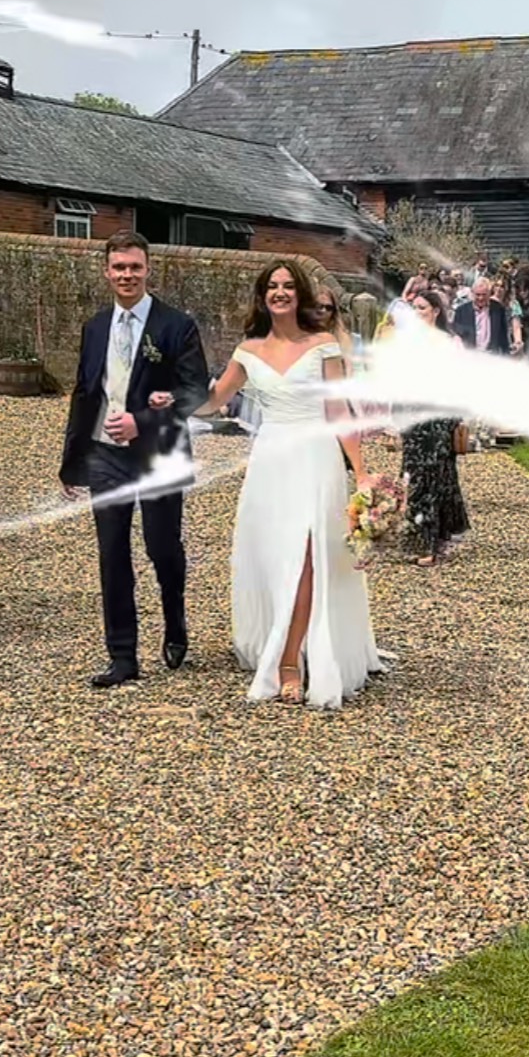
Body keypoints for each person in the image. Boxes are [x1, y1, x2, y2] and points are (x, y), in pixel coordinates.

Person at [153, 259, 381, 707]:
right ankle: (282, 642)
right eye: (272, 286)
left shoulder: (322, 347)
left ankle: (289, 661)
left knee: (309, 558)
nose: (280, 292)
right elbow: (214, 402)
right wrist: (170, 400)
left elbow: (339, 414)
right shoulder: (248, 351)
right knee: (277, 558)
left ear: (300, 294)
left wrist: (361, 472)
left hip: (316, 460)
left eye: (288, 286)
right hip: (271, 463)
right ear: (263, 296)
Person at [60, 234, 210, 688]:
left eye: (135, 268)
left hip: (159, 454)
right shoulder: (95, 326)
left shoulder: (176, 326)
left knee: (161, 547)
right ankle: (122, 657)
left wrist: (143, 420)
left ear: (148, 270)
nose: (127, 275)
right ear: (106, 271)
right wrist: (72, 460)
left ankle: (175, 618)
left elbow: (196, 393)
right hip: (106, 457)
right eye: (119, 267)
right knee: (112, 553)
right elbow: (86, 393)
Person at [401, 288, 470, 566]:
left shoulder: (450, 343)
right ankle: (430, 536)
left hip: (439, 415)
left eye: (422, 309)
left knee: (435, 476)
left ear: (435, 312)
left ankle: (427, 542)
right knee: (417, 476)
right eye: (414, 309)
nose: (417, 314)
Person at [452, 274, 510, 354]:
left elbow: (503, 337)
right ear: (472, 293)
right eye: (478, 295)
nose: (481, 298)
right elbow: (457, 335)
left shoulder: (498, 309)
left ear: (489, 293)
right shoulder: (461, 311)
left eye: (484, 295)